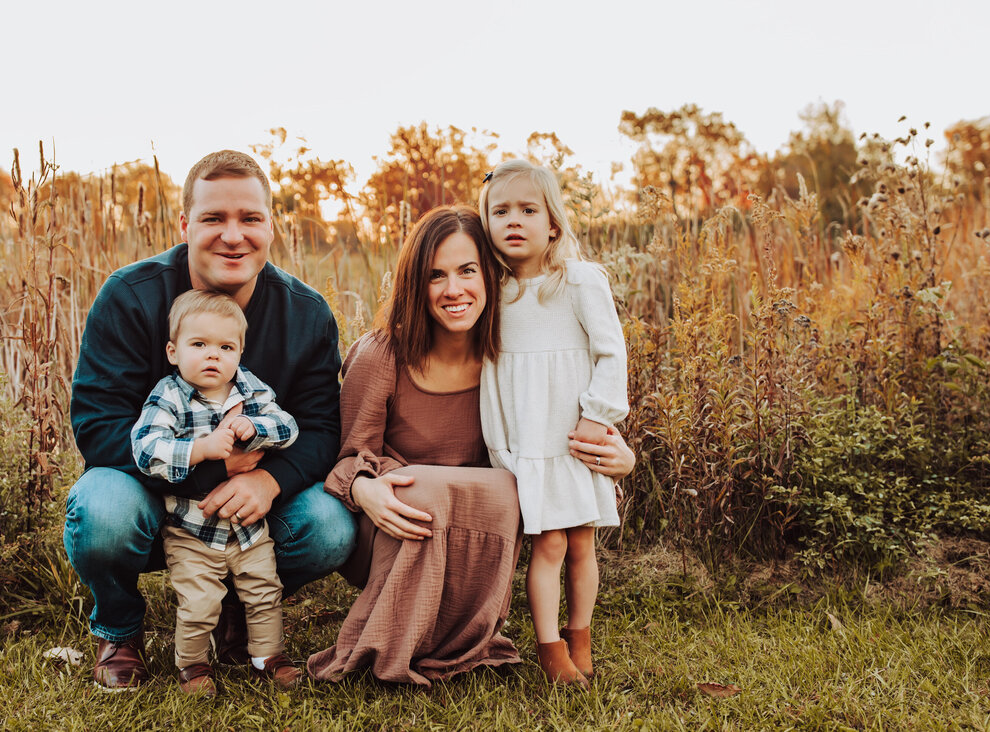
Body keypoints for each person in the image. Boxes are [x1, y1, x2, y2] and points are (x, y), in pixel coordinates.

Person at [306, 205, 635, 686]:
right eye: (436, 275)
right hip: (391, 524)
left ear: (491, 276)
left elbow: (556, 436)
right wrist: (362, 490)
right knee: (426, 489)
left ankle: (457, 634)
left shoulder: (509, 364)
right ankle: (398, 637)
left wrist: (617, 457)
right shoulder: (382, 355)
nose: (453, 289)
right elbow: (350, 453)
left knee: (506, 488)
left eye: (467, 271)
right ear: (415, 284)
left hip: (475, 527)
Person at [65, 150, 355, 691]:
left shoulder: (306, 312)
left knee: (330, 527)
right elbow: (98, 425)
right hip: (150, 491)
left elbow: (321, 427)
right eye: (213, 218)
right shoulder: (129, 297)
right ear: (184, 225)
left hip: (253, 504)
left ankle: (236, 609)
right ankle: (120, 627)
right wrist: (207, 470)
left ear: (272, 225)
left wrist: (269, 481)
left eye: (250, 218)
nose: (233, 235)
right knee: (101, 508)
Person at [478, 160, 630, 689]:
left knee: (583, 541)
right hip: (529, 442)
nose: (513, 220)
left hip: (575, 436)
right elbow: (493, 379)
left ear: (553, 226)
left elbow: (611, 353)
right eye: (501, 211)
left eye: (527, 210)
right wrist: (501, 450)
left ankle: (580, 632)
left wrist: (598, 417)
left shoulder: (579, 281)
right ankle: (549, 646)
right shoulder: (489, 293)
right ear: (487, 224)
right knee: (548, 546)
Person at [130, 290, 302, 696]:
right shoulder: (168, 396)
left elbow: (288, 426)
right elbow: (145, 448)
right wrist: (201, 452)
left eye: (226, 347)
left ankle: (267, 656)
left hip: (248, 527)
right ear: (173, 352)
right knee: (199, 602)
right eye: (199, 345)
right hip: (193, 529)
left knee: (264, 590)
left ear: (240, 352)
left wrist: (257, 430)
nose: (213, 356)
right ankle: (193, 666)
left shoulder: (250, 390)